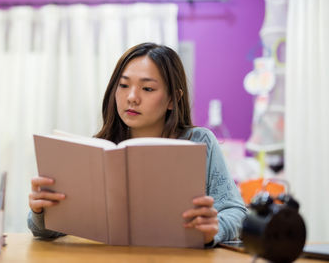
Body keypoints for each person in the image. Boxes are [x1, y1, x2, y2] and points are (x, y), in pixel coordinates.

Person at [28, 42, 247, 247]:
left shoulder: (199, 141)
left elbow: (237, 213)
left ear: (173, 99)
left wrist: (213, 231)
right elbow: (46, 230)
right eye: (123, 85)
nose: (132, 97)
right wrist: (41, 211)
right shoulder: (99, 149)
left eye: (147, 89)